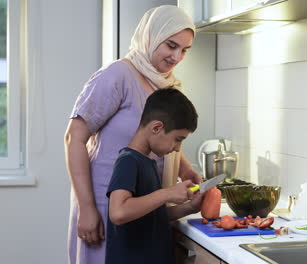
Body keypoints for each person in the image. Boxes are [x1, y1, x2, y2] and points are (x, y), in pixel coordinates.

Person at [64, 5, 202, 264]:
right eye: (171, 45)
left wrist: (186, 170)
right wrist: (87, 208)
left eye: (184, 50)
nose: (176, 56)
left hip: (144, 211)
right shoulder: (117, 75)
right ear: (150, 37)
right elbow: (74, 138)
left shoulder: (167, 83)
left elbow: (164, 137)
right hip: (106, 209)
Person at [106, 88, 201, 264]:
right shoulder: (128, 161)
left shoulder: (148, 162)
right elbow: (118, 212)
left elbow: (152, 217)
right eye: (178, 139)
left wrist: (190, 208)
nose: (178, 148)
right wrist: (167, 193)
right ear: (157, 127)